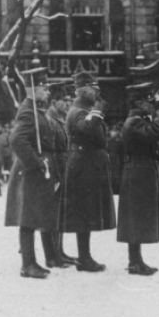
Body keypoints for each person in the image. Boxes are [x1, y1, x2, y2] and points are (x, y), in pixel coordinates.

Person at [4, 68, 64, 278]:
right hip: (30, 172)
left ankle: (43, 259)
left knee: (38, 213)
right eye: (44, 88)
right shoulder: (29, 111)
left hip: (38, 170)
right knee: (28, 217)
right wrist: (36, 163)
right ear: (33, 89)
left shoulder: (35, 109)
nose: (48, 92)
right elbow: (17, 139)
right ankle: (28, 265)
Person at [61, 71, 116, 272]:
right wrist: (99, 109)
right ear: (83, 91)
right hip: (83, 166)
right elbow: (87, 128)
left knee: (88, 211)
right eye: (94, 89)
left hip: (88, 165)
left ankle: (85, 256)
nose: (98, 92)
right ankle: (83, 259)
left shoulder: (85, 108)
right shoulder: (77, 110)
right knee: (84, 213)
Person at [117, 83, 159, 275]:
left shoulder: (137, 120)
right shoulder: (134, 121)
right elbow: (155, 133)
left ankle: (137, 260)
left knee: (138, 217)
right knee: (136, 218)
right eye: (149, 102)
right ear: (139, 102)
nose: (152, 105)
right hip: (138, 173)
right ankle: (134, 262)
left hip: (141, 171)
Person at [45, 82, 78, 266]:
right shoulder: (50, 121)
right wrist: (55, 177)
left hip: (63, 171)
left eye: (68, 100)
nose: (67, 104)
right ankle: (52, 256)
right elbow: (49, 152)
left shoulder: (60, 120)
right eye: (64, 101)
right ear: (54, 102)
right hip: (55, 172)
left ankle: (60, 252)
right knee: (51, 215)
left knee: (60, 214)